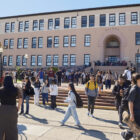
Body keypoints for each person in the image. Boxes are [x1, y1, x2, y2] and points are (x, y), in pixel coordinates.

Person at [0, 76, 22, 140]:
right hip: (12, 109)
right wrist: (18, 107)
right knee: (12, 127)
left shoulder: (1, 89)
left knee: (1, 126)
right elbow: (20, 98)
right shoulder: (16, 89)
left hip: (2, 109)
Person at [121, 73, 140, 140]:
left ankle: (129, 136)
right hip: (135, 113)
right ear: (137, 79)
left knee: (135, 129)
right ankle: (124, 135)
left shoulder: (139, 88)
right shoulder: (134, 89)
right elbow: (130, 102)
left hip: (139, 112)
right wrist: (132, 114)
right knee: (134, 129)